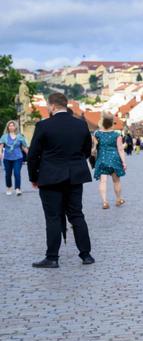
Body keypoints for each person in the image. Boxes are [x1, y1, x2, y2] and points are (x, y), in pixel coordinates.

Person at [27, 92, 94, 268]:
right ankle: (86, 255)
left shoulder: (43, 126)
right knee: (77, 214)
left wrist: (34, 177)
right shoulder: (81, 125)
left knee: (53, 217)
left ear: (53, 106)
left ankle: (52, 258)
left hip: (50, 177)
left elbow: (33, 155)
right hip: (75, 176)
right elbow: (87, 150)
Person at [91, 112, 126, 209]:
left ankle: (105, 202)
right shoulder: (117, 134)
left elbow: (94, 147)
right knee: (116, 181)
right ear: (112, 123)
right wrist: (123, 162)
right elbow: (120, 149)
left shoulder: (97, 133)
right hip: (114, 160)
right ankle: (118, 199)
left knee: (103, 181)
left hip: (102, 159)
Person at [3, 120, 29, 196]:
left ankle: (18, 188)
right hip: (7, 158)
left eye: (13, 125)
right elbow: (1, 146)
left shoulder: (20, 136)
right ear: (8, 127)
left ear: (15, 127)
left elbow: (24, 146)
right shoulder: (4, 136)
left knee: (17, 173)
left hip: (18, 157)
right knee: (8, 174)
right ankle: (9, 187)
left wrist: (29, 155)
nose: (11, 127)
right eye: (10, 125)